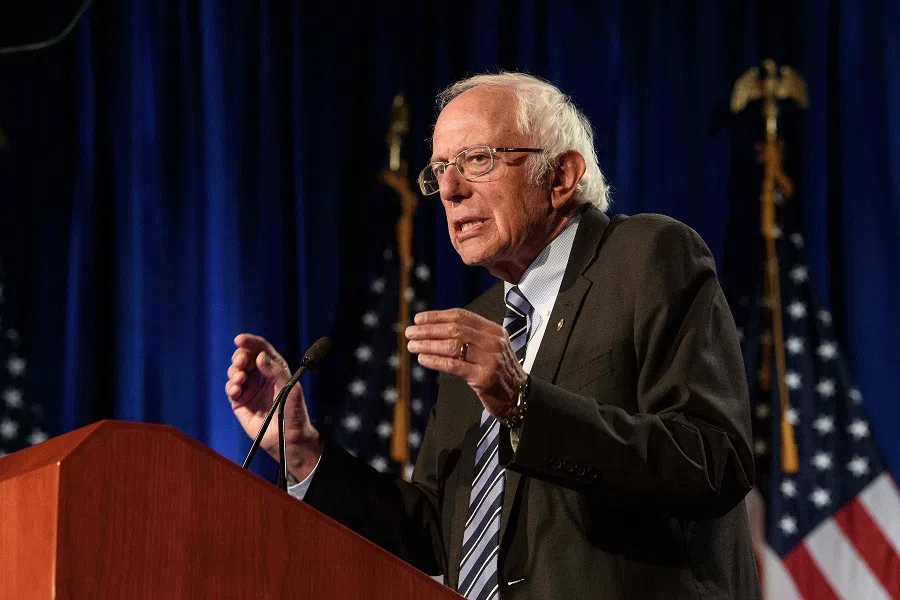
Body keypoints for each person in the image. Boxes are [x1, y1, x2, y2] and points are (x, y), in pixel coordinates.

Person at [226, 72, 760, 600]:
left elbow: (713, 461)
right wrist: (302, 451)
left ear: (561, 176)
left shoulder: (646, 258)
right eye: (440, 170)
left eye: (477, 160)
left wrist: (523, 403)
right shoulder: (481, 323)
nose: (450, 190)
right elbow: (436, 532)